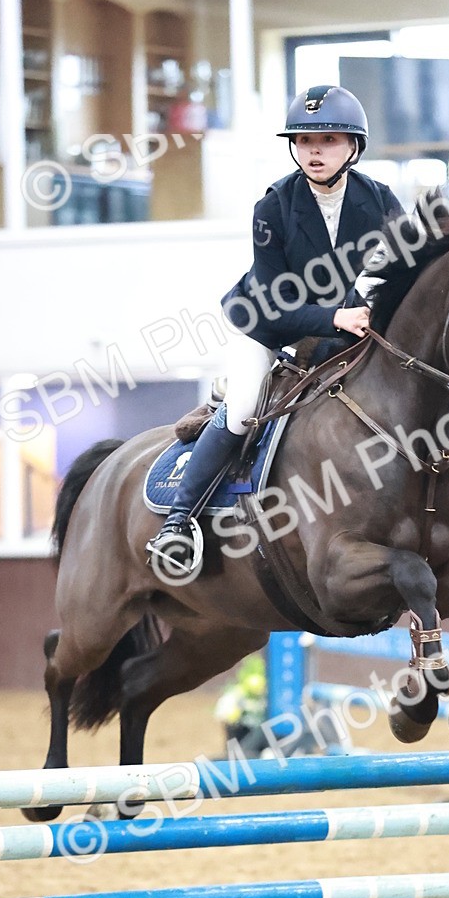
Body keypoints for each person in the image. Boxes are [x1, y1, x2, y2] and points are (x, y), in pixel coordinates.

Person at [147, 83, 404, 578]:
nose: (315, 152)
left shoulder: (380, 200)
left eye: (328, 140)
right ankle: (178, 522)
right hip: (266, 325)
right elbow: (274, 301)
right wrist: (335, 317)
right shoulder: (274, 208)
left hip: (344, 327)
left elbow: (399, 272)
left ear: (353, 146)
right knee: (244, 409)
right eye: (305, 141)